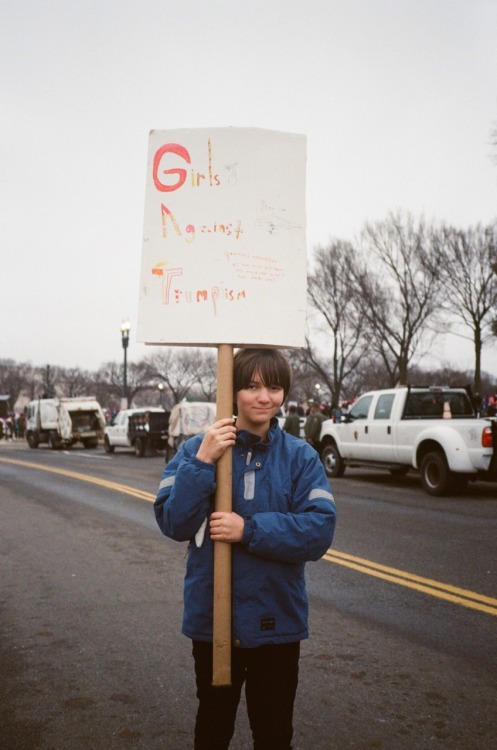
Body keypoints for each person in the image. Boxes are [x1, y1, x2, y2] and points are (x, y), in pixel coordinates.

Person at [153, 348, 336, 750]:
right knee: (213, 729)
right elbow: (173, 522)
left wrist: (249, 529)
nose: (263, 397)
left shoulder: (301, 457)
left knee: (273, 735)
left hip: (277, 625)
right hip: (215, 622)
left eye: (273, 387)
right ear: (231, 391)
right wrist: (203, 460)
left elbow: (319, 530)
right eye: (251, 386)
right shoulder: (196, 450)